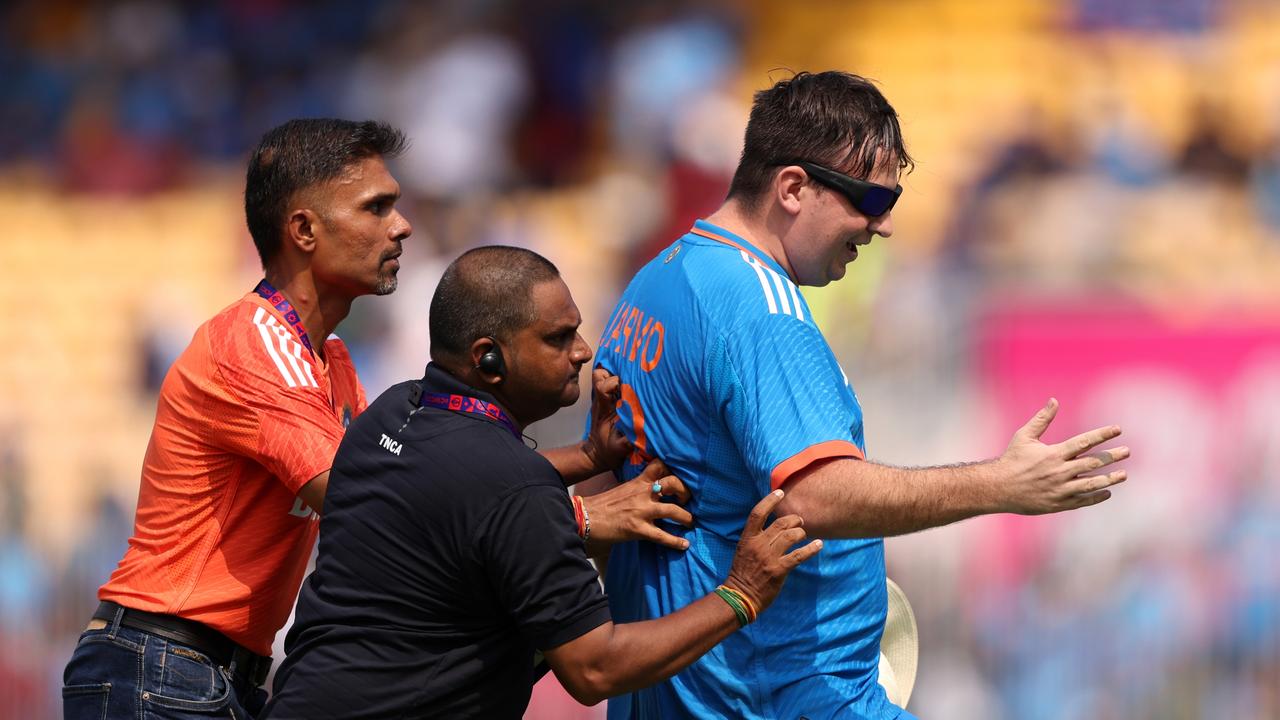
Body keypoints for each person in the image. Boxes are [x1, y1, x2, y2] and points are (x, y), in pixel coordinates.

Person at [60, 120, 689, 720]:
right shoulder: (252, 345)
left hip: (205, 671)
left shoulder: (328, 358)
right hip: (161, 665)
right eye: (376, 208)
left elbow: (418, 481)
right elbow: (381, 505)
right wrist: (580, 515)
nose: (403, 226)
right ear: (304, 229)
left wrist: (587, 459)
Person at [581, 70, 1131, 720]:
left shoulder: (656, 283)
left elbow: (603, 494)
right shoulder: (761, 311)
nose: (885, 225)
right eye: (870, 199)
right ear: (792, 188)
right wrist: (1001, 485)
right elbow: (814, 493)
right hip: (788, 700)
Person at [261, 246, 822, 719]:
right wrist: (740, 594)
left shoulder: (394, 411)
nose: (582, 352)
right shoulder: (515, 489)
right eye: (558, 338)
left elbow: (462, 485)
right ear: (489, 359)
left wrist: (587, 456)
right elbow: (593, 667)